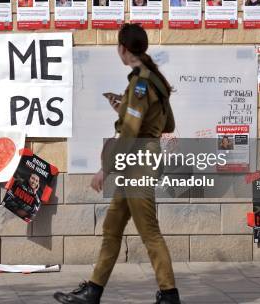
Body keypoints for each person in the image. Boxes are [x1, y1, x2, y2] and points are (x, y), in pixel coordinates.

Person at [54, 24, 181, 304]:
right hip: (142, 156)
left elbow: (129, 132)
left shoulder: (140, 83)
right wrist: (125, 109)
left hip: (137, 160)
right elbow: (168, 123)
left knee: (149, 231)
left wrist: (105, 168)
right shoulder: (154, 80)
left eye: (118, 47)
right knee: (112, 226)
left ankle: (170, 295)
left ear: (123, 49)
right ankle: (93, 291)